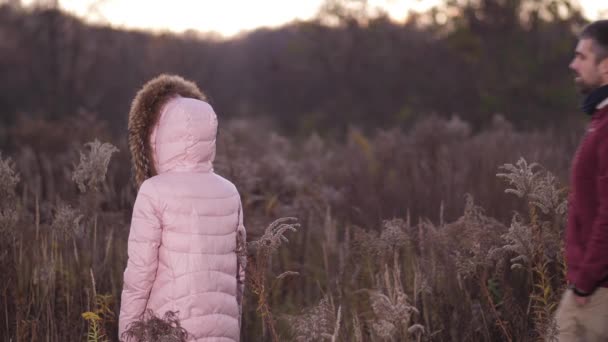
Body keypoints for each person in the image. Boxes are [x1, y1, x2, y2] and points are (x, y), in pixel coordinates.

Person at [118, 74, 247, 342]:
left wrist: (128, 334)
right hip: (224, 331)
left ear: (155, 136)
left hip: (167, 330)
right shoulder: (229, 191)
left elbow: (140, 275)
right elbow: (240, 276)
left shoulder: (154, 191)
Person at [555, 20, 608, 341]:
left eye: (582, 56)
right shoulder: (600, 120)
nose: (573, 64)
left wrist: (586, 281)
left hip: (597, 293)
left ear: (606, 66)